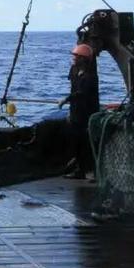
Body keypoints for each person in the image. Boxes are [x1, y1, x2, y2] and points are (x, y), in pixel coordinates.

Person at [58, 43, 100, 180]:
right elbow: (73, 89)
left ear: (84, 58)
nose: (74, 58)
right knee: (76, 142)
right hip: (76, 113)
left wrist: (66, 99)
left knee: (88, 143)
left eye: (77, 56)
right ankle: (79, 170)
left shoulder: (90, 77)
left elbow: (81, 93)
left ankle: (92, 171)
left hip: (88, 114)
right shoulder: (74, 71)